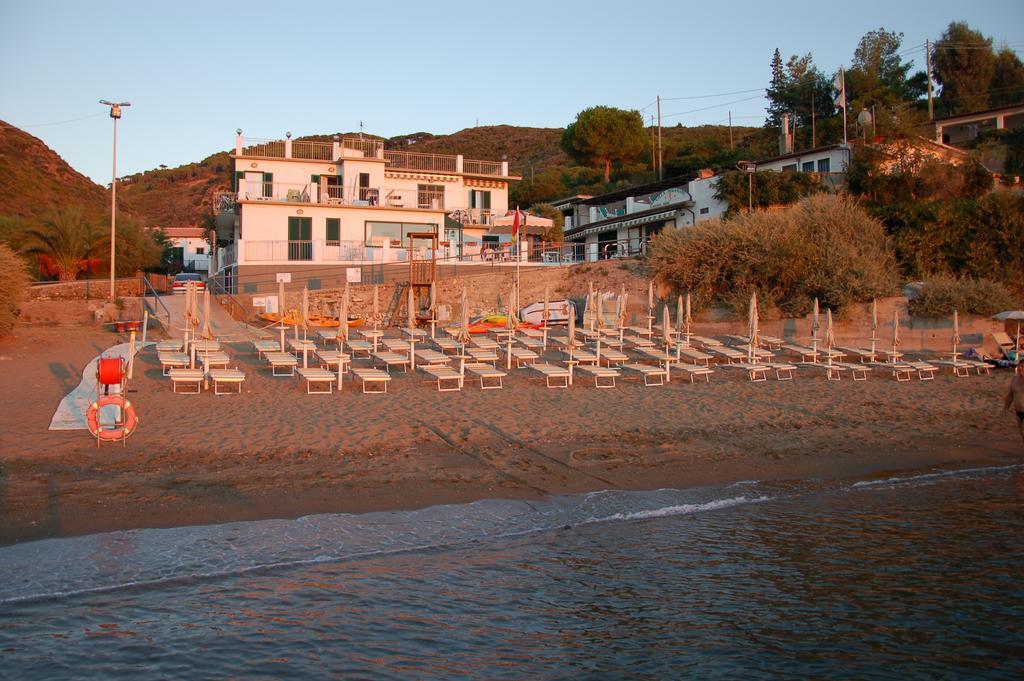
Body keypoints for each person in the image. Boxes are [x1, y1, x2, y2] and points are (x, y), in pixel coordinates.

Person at [1005, 362, 1024, 447]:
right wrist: (1006, 408)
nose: (1020, 368)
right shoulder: (1015, 380)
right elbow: (1011, 395)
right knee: (1022, 433)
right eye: (1019, 366)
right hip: (1018, 412)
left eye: (1023, 366)